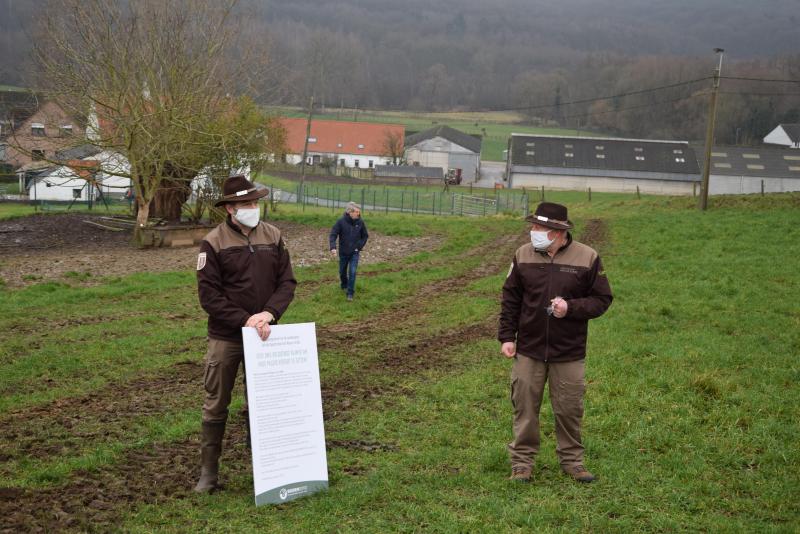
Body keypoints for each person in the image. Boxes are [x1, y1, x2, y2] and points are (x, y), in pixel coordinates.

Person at [194, 175, 297, 493]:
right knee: (216, 404)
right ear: (229, 209)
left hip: (266, 336)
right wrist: (244, 320)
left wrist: (269, 314)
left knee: (265, 403)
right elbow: (208, 296)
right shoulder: (213, 243)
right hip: (226, 338)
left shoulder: (274, 236)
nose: (252, 208)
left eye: (254, 202)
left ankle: (266, 470)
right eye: (244, 204)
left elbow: (287, 282)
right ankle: (208, 474)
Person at [499, 202, 613, 484]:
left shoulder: (588, 257)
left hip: (569, 351)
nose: (533, 231)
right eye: (533, 226)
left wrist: (570, 308)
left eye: (539, 227)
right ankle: (522, 463)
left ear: (558, 232)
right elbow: (510, 298)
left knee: (569, 409)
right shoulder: (522, 255)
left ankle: (572, 461)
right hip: (529, 347)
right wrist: (506, 336)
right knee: (524, 407)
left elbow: (602, 299)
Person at [329, 201, 368, 302]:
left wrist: (358, 247)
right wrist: (333, 247)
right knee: (342, 272)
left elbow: (365, 236)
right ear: (349, 212)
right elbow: (333, 234)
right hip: (343, 252)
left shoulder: (360, 222)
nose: (358, 214)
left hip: (354, 252)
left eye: (359, 212)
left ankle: (350, 293)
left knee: (352, 272)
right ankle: (344, 284)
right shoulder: (341, 222)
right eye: (356, 212)